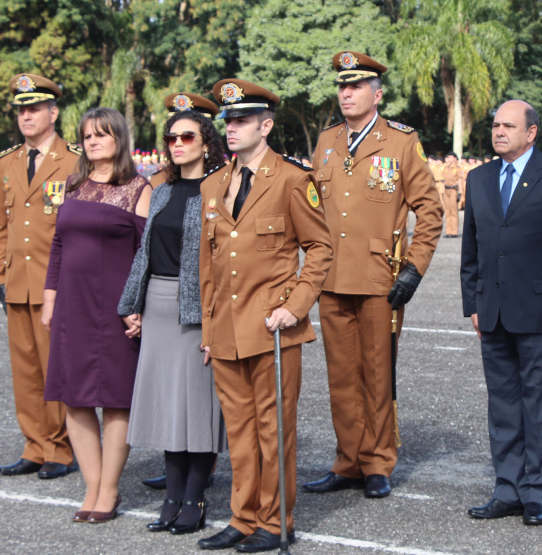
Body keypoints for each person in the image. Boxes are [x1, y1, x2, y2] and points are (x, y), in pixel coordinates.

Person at [195, 79, 333, 553]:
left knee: (274, 431)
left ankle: (276, 521)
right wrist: (210, 328)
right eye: (227, 121)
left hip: (273, 328)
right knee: (238, 431)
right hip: (228, 331)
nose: (230, 128)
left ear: (266, 125)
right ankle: (242, 515)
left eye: (241, 120)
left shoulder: (293, 179)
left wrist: (295, 307)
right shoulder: (214, 183)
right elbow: (208, 263)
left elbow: (319, 249)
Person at [301, 51, 443, 500]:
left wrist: (415, 269)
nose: (346, 93)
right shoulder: (326, 143)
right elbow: (310, 212)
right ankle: (348, 460)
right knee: (341, 376)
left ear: (376, 94)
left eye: (356, 86)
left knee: (378, 375)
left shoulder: (401, 142)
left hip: (381, 279)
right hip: (331, 278)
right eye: (342, 86)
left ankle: (378, 461)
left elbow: (431, 210)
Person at [460, 100, 542, 526]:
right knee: (503, 406)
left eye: (508, 126)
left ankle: (538, 491)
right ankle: (508, 488)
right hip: (493, 313)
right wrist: (473, 304)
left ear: (531, 133)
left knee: (541, 404)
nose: (499, 132)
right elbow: (472, 249)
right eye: (496, 125)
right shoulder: (479, 178)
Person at [118, 93, 228, 535]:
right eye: (172, 138)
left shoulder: (220, 190)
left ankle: (195, 498)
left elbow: (222, 262)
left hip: (198, 309)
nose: (177, 143)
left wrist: (215, 321)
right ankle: (171, 497)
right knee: (168, 407)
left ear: (206, 143)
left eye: (187, 136)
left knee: (196, 409)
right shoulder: (161, 189)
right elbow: (145, 252)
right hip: (159, 307)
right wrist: (133, 304)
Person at [42, 107, 152, 523]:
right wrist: (50, 300)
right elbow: (58, 247)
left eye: (101, 135)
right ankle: (91, 486)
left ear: (118, 139)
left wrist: (137, 305)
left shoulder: (139, 188)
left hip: (114, 309)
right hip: (72, 306)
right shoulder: (73, 184)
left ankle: (108, 491)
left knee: (115, 401)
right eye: (87, 136)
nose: (93, 142)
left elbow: (148, 253)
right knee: (74, 398)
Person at [0, 73, 79, 479]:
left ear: (53, 112)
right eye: (21, 110)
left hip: (54, 286)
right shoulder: (8, 161)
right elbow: (0, 227)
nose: (26, 116)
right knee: (25, 370)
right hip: (17, 284)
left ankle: (61, 449)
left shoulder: (75, 160)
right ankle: (34, 445)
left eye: (34, 109)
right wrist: (0, 275)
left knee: (55, 368)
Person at [443, 152, 463, 237]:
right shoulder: (446, 168)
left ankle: (454, 232)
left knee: (453, 211)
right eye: (448, 157)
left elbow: (460, 181)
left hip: (453, 190)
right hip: (446, 190)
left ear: (455, 158)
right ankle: (448, 231)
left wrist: (460, 192)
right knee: (447, 211)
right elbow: (443, 180)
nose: (449, 159)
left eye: (451, 157)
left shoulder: (457, 169)